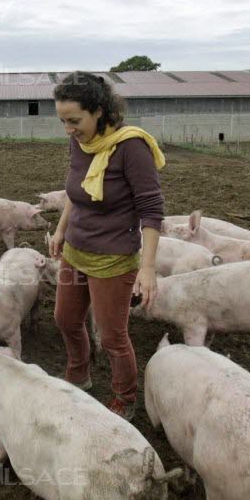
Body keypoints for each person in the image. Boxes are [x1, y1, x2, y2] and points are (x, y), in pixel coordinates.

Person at [48, 71, 165, 421]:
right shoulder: (79, 142)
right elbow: (77, 191)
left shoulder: (131, 147)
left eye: (74, 120)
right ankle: (79, 375)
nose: (68, 128)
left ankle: (124, 396)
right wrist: (59, 231)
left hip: (113, 259)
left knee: (112, 336)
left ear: (99, 111)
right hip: (75, 250)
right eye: (63, 121)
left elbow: (151, 209)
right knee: (66, 320)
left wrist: (147, 267)